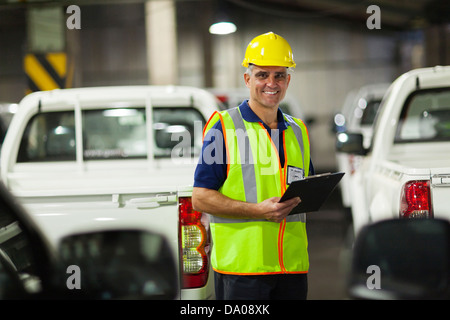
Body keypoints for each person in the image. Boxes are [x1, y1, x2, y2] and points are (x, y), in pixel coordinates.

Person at [192, 31, 314, 300]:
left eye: (279, 75)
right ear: (247, 79)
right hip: (243, 272)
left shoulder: (298, 131)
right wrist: (258, 211)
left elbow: (304, 189)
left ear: (288, 80)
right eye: (262, 75)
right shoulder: (223, 127)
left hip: (291, 269)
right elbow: (200, 198)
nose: (271, 83)